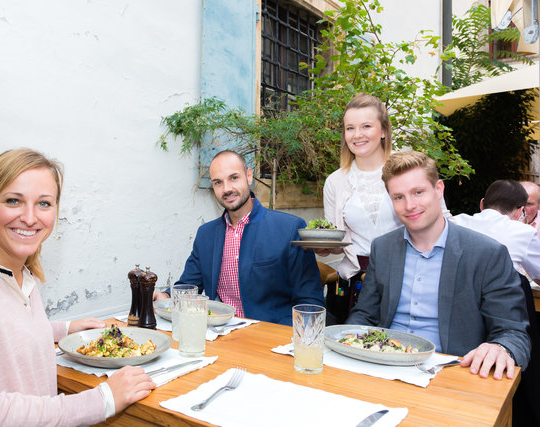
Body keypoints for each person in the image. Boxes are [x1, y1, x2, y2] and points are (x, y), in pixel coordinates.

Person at [0, 148, 155, 426]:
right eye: (13, 200)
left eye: (44, 204)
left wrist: (64, 329)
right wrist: (104, 399)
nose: (29, 217)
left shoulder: (20, 275)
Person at [347, 150, 530, 379]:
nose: (410, 205)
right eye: (399, 197)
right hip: (382, 369)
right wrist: (347, 340)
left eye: (418, 192)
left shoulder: (487, 254)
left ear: (439, 190)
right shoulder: (382, 248)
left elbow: (513, 333)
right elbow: (364, 315)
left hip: (452, 375)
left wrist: (500, 348)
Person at [154, 150, 324, 326]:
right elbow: (189, 285)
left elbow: (310, 303)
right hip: (218, 335)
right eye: (218, 182)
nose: (227, 189)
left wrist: (282, 339)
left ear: (249, 177)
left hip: (270, 340)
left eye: (234, 178)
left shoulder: (289, 229)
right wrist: (166, 296)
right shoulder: (206, 234)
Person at [320, 93, 402, 323]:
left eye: (366, 126)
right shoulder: (335, 181)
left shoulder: (406, 170)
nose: (357, 135)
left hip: (403, 277)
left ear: (384, 130)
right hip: (352, 283)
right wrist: (324, 247)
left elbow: (438, 222)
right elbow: (338, 241)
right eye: (350, 128)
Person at [453, 180, 540, 281]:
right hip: (497, 294)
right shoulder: (524, 232)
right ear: (520, 211)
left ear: (482, 204)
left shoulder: (455, 222)